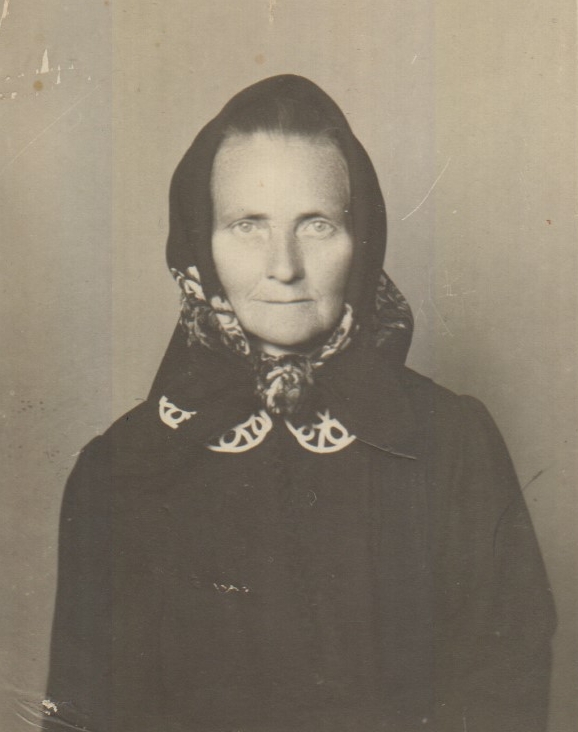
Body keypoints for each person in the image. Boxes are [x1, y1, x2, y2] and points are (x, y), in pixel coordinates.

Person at [42, 75, 556, 732]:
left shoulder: (454, 444)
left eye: (316, 225)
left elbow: (505, 698)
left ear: (361, 240)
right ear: (200, 244)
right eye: (247, 225)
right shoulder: (117, 470)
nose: (283, 266)